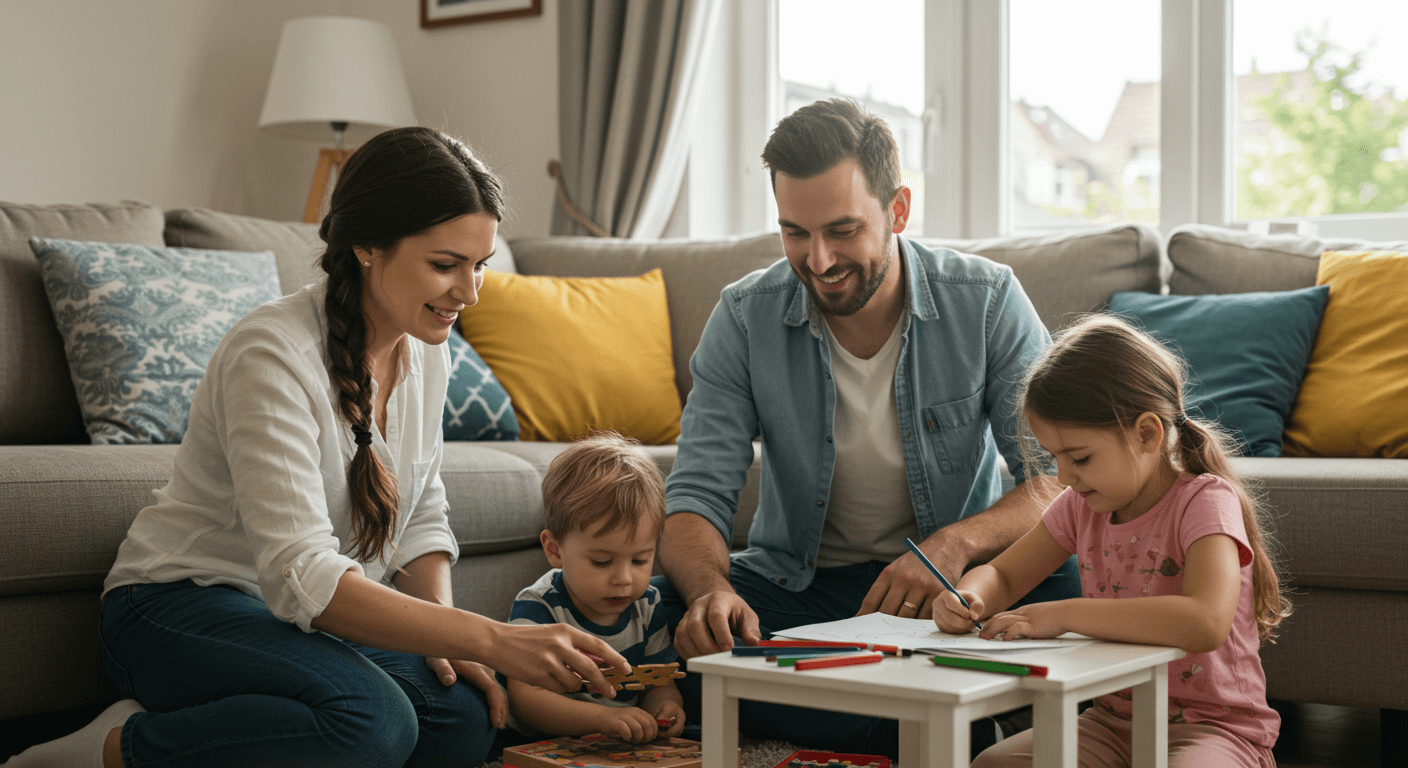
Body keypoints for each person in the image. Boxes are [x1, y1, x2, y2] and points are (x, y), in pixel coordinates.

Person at [4, 127, 629, 768]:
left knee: (463, 718)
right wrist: (493, 637)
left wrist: (449, 636)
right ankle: (110, 747)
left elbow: (420, 519)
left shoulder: (427, 350)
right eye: (445, 265)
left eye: (479, 266)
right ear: (366, 244)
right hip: (178, 606)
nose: (468, 294)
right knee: (373, 724)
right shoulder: (271, 352)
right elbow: (302, 575)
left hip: (290, 622)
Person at [652, 98, 1079, 756]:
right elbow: (695, 497)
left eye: (842, 230)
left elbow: (1055, 480)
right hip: (810, 586)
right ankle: (940, 709)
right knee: (653, 617)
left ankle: (870, 703)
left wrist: (953, 546)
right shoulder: (743, 318)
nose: (818, 260)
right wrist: (710, 593)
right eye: (795, 232)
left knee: (1077, 577)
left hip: (960, 585)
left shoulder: (988, 301)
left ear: (898, 211)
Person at [935, 314, 1289, 768]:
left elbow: (1205, 621)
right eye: (1054, 457)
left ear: (1147, 433)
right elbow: (1003, 573)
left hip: (1214, 728)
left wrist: (1063, 614)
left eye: (1079, 457)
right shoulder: (1079, 505)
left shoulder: (1205, 502)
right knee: (994, 763)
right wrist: (970, 595)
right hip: (1109, 722)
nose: (1063, 476)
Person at [502, 432, 685, 743]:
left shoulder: (648, 604)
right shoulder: (539, 605)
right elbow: (525, 700)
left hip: (612, 744)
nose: (624, 579)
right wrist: (603, 718)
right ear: (555, 550)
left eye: (640, 560)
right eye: (602, 561)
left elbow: (659, 680)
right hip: (543, 743)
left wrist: (667, 707)